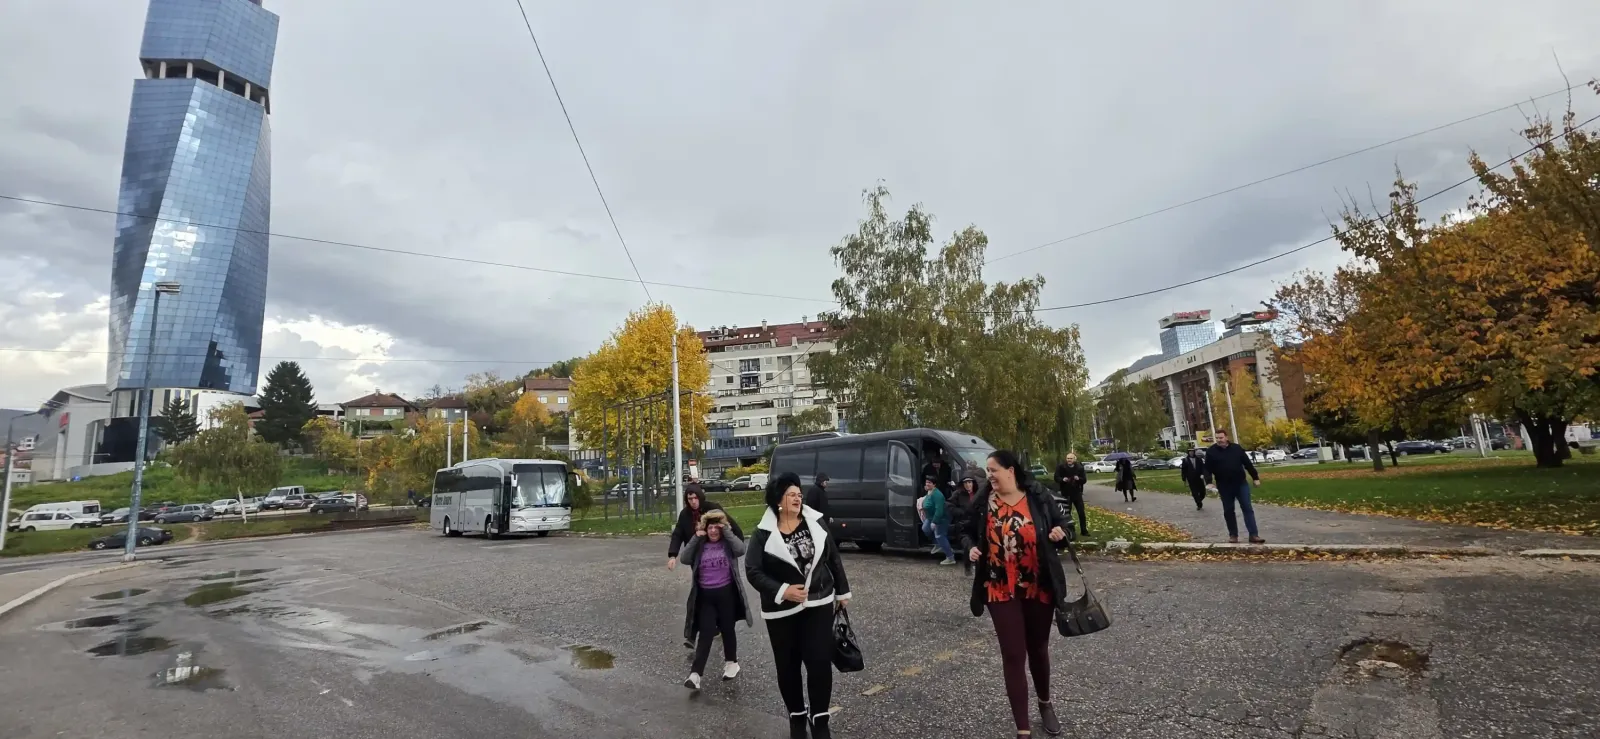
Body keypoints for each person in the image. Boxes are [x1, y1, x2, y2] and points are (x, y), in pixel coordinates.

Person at [958, 450, 1072, 738]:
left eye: (993, 470)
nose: (989, 475)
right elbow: (964, 531)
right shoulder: (983, 502)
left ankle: (1045, 703)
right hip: (999, 587)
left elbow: (1064, 526)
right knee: (1012, 654)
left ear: (1010, 470)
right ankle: (1023, 730)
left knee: (1038, 649)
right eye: (988, 471)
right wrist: (970, 547)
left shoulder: (1037, 496)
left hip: (1038, 585)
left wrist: (1061, 535)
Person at [745, 472, 852, 739]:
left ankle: (820, 718)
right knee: (788, 666)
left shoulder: (815, 522)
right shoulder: (762, 533)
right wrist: (783, 590)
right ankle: (796, 716)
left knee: (819, 662)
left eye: (798, 494)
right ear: (778, 500)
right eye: (791, 494)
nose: (797, 498)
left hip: (818, 602)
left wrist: (842, 590)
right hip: (781, 611)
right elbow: (753, 571)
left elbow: (832, 557)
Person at [678, 509, 753, 689]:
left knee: (727, 629)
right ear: (705, 528)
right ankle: (695, 675)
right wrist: (696, 537)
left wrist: (726, 530)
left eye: (716, 527)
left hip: (726, 594)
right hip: (706, 596)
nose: (713, 531)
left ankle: (732, 663)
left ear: (722, 528)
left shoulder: (727, 543)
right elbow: (685, 558)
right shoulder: (700, 544)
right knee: (706, 633)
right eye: (710, 527)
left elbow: (741, 549)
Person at [1203, 429, 1265, 544]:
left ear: (1226, 437)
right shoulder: (1211, 452)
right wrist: (1209, 482)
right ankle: (1233, 535)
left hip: (1240, 484)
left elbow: (1247, 463)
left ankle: (1253, 535)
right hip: (1224, 486)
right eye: (1217, 438)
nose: (1219, 440)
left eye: (1221, 438)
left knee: (1247, 508)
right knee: (1228, 510)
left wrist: (1255, 477)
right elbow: (1207, 469)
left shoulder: (1236, 448)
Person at [668, 486, 744, 570]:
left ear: (700, 497)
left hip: (719, 552)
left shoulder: (713, 508)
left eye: (696, 498)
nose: (693, 502)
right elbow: (678, 534)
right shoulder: (684, 514)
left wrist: (738, 543)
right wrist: (673, 555)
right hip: (697, 554)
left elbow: (731, 524)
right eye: (690, 499)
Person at [920, 476, 956, 565]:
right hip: (930, 517)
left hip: (941, 518)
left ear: (934, 484)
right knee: (925, 528)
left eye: (929, 483)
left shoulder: (937, 495)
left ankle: (950, 558)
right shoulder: (930, 491)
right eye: (926, 482)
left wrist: (934, 522)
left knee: (940, 536)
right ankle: (938, 544)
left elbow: (939, 510)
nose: (927, 484)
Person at [950, 476, 981, 575]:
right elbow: (948, 505)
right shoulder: (958, 494)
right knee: (968, 546)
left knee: (978, 546)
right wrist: (961, 512)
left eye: (969, 482)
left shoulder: (978, 493)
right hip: (963, 525)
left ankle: (978, 567)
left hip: (976, 524)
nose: (968, 485)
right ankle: (967, 567)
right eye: (965, 483)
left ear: (973, 483)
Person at [1053, 453, 1089, 537]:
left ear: (1074, 459)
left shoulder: (1079, 467)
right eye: (1068, 458)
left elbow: (1084, 480)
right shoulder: (1061, 467)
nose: (1069, 460)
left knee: (1081, 512)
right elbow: (1056, 477)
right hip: (1066, 493)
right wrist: (1062, 479)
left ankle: (1084, 531)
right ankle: (1069, 531)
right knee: (1067, 514)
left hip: (1077, 493)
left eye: (1071, 458)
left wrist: (1078, 479)